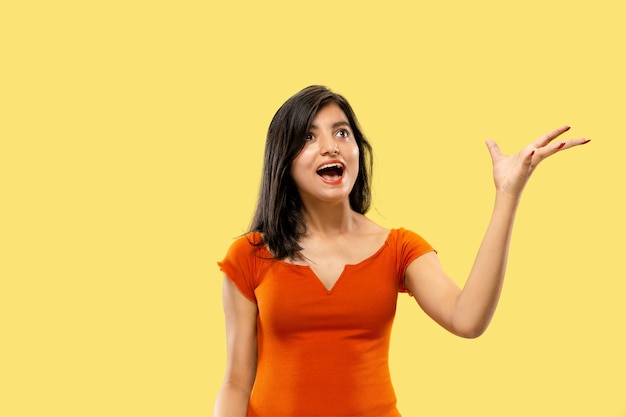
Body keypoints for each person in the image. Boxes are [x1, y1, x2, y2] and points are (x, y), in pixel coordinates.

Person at [213, 85, 590, 417]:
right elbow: (235, 382)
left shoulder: (399, 248)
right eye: (309, 137)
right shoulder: (249, 256)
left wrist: (507, 195)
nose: (331, 145)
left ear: (358, 150)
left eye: (341, 132)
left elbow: (467, 318)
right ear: (284, 159)